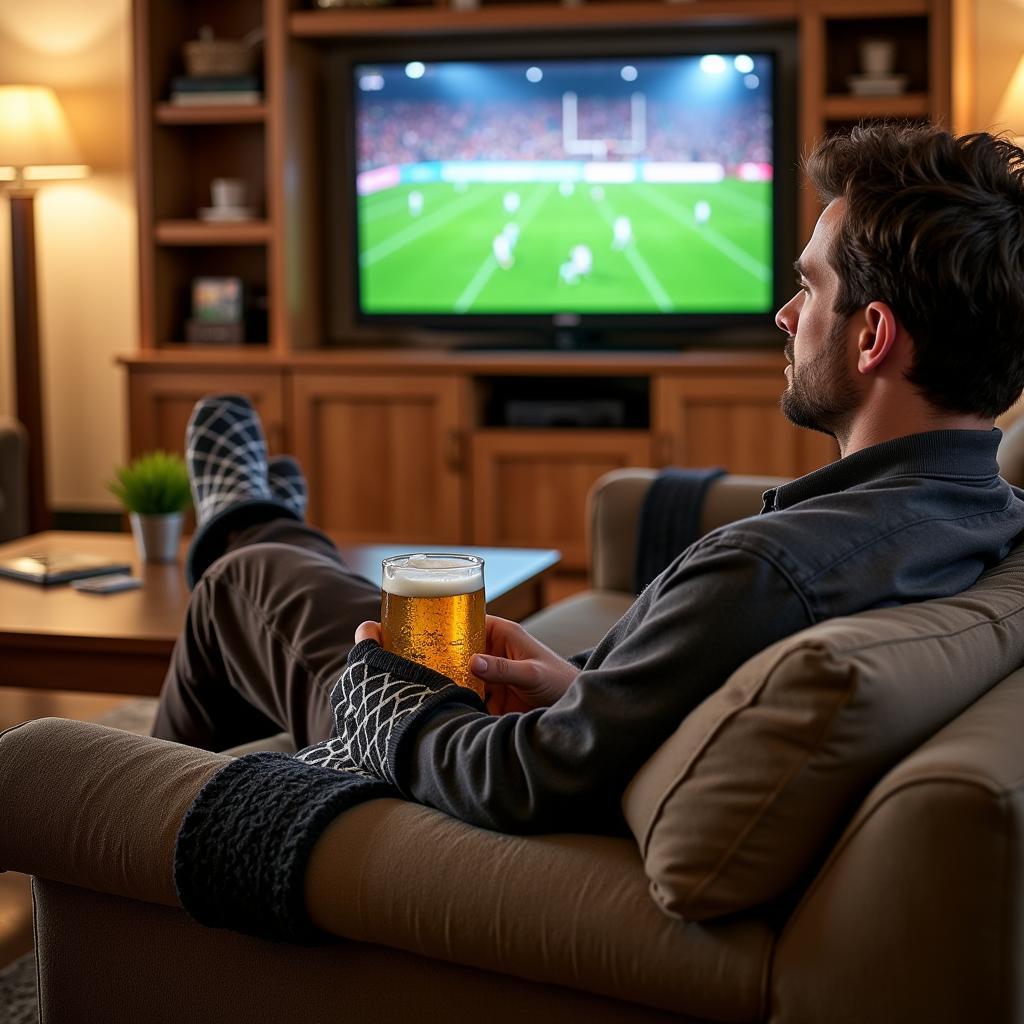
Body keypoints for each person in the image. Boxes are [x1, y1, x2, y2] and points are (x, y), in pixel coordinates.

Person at [154, 123, 1024, 836]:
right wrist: (585, 690)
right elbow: (657, 717)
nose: (784, 315)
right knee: (264, 568)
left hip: (470, 814)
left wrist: (386, 699)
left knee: (245, 581)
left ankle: (133, 843)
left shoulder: (768, 573)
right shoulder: (991, 518)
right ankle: (254, 517)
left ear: (873, 337)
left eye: (809, 287)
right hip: (570, 743)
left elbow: (522, 781)